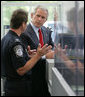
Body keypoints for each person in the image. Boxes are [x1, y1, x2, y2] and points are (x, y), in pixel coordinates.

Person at [1, 9, 52, 96]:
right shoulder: (16, 42)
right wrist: (38, 55)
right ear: (23, 24)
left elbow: (12, 59)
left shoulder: (6, 38)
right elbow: (21, 70)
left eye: (43, 17)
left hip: (11, 84)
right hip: (17, 87)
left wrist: (27, 56)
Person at [20, 5, 54, 96]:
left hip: (46, 72)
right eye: (38, 16)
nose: (39, 19)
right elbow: (23, 56)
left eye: (43, 17)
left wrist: (55, 52)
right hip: (31, 76)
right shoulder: (24, 32)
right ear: (32, 15)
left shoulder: (46, 31)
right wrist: (44, 56)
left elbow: (51, 46)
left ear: (45, 20)